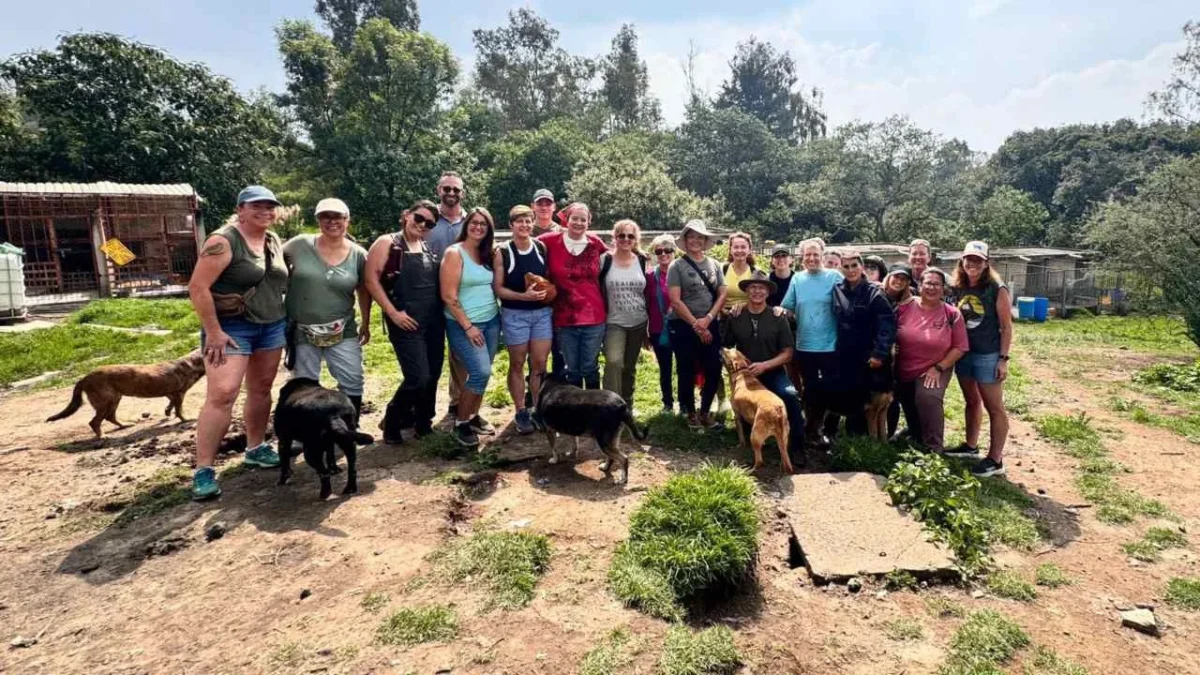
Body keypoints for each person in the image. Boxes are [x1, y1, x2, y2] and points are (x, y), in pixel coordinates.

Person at [187, 186, 289, 500]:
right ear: (241, 209)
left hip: (271, 325)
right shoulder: (222, 241)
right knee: (222, 394)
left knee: (261, 388)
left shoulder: (272, 240)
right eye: (257, 206)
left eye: (270, 207)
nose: (266, 212)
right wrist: (214, 332)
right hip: (231, 328)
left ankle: (255, 447)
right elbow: (198, 288)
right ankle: (204, 469)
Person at [282, 198, 370, 420]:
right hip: (301, 328)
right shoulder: (298, 245)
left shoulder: (359, 254)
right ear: (318, 220)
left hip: (342, 327)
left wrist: (367, 323)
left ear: (347, 220)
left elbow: (364, 290)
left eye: (337, 216)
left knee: (352, 377)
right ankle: (307, 430)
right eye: (325, 216)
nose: (332, 221)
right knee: (304, 381)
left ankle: (349, 425)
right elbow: (271, 263)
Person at [365, 199, 443, 442]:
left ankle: (423, 421)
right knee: (417, 376)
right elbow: (371, 280)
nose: (422, 225)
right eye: (418, 218)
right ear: (407, 215)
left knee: (433, 374)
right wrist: (393, 313)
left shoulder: (426, 247)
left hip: (433, 321)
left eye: (429, 223)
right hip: (406, 321)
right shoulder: (388, 243)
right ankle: (392, 419)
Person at [721, 269, 805, 463]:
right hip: (747, 376)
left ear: (768, 293)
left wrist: (765, 366)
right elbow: (726, 346)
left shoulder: (777, 316)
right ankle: (750, 440)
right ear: (747, 291)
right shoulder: (737, 315)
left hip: (773, 371)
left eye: (761, 288)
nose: (757, 291)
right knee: (742, 400)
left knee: (790, 397)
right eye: (753, 287)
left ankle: (798, 447)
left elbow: (788, 353)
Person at [948, 241, 1013, 477]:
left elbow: (1006, 327)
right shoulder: (958, 287)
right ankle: (971, 445)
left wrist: (1003, 359)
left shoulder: (997, 288)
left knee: (994, 407)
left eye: (977, 260)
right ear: (962, 262)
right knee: (971, 401)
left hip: (987, 354)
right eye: (968, 259)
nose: (972, 264)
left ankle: (996, 459)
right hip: (964, 353)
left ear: (986, 263)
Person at [441, 207, 501, 448]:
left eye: (483, 224)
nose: (478, 227)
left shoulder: (485, 253)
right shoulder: (455, 253)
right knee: (479, 372)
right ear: (466, 225)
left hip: (491, 320)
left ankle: (474, 416)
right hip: (463, 323)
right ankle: (461, 423)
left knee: (484, 372)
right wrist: (468, 327)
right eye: (474, 222)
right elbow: (448, 296)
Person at [894, 268, 968, 454]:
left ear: (944, 289)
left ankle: (934, 448)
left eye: (937, 284)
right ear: (919, 286)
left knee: (927, 396)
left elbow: (960, 347)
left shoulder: (952, 314)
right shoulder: (903, 307)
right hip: (902, 368)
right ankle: (915, 434)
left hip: (934, 367)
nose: (931, 288)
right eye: (927, 283)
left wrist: (939, 367)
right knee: (904, 399)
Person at [493, 205, 552, 435]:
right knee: (517, 363)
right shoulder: (503, 251)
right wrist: (523, 296)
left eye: (528, 221)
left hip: (541, 314)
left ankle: (538, 409)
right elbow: (498, 288)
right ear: (511, 225)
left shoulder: (540, 247)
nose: (525, 225)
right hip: (514, 313)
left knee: (539, 364)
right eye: (520, 221)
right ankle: (520, 410)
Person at [779, 238, 842, 448]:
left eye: (816, 254)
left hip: (831, 344)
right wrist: (780, 311)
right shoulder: (798, 278)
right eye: (808, 255)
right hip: (805, 344)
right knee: (811, 388)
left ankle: (831, 431)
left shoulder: (834, 276)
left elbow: (851, 295)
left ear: (823, 256)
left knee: (833, 388)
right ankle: (812, 429)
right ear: (801, 258)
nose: (812, 258)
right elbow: (788, 306)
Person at [539, 202, 608, 389]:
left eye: (583, 220)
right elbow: (524, 244)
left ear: (589, 222)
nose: (578, 223)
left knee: (590, 367)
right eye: (574, 218)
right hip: (564, 317)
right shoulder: (549, 241)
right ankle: (575, 411)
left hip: (594, 316)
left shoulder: (596, 244)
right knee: (572, 369)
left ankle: (594, 410)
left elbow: (617, 257)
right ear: (566, 220)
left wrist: (638, 253)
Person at [828, 249, 896, 437]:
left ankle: (876, 442)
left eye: (854, 265)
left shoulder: (875, 293)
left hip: (870, 356)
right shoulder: (837, 290)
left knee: (875, 403)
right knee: (853, 398)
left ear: (861, 266)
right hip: (847, 355)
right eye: (846, 266)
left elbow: (887, 325)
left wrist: (879, 353)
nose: (850, 270)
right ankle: (855, 438)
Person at [667, 220, 727, 431]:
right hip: (684, 324)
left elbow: (722, 294)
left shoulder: (715, 265)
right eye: (691, 236)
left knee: (713, 367)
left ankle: (705, 411)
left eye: (700, 237)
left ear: (705, 241)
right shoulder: (677, 266)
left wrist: (708, 319)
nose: (695, 240)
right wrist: (696, 324)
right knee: (686, 368)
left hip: (709, 321)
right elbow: (675, 300)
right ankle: (690, 412)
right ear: (685, 240)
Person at [426, 171, 469, 420]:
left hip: (460, 297)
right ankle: (422, 409)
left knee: (460, 355)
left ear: (462, 193)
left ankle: (458, 404)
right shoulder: (428, 220)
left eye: (455, 189)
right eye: (446, 189)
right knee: (430, 357)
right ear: (438, 190)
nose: (451, 193)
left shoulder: (470, 221)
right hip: (429, 296)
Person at [600, 219, 649, 404]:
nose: (626, 239)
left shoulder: (642, 260)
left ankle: (627, 404)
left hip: (638, 321)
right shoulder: (605, 260)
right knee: (613, 362)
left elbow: (648, 292)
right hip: (614, 321)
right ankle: (611, 404)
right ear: (615, 237)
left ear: (636, 239)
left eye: (630, 236)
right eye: (622, 235)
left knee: (629, 366)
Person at [882, 263, 915, 438]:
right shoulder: (877, 294)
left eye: (904, 279)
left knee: (899, 394)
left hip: (904, 353)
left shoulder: (912, 301)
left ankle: (892, 433)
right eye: (896, 277)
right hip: (881, 353)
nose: (899, 281)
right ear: (888, 277)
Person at [646, 234, 677, 415]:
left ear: (674, 252)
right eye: (659, 251)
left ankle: (686, 403)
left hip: (681, 326)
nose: (664, 254)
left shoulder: (681, 272)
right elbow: (645, 303)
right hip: (658, 328)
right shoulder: (650, 276)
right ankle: (667, 403)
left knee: (683, 367)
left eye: (668, 250)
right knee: (665, 368)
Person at [721, 232, 757, 311]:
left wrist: (742, 307)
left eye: (743, 247)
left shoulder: (756, 272)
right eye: (736, 247)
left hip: (748, 313)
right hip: (725, 316)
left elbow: (760, 297)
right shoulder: (722, 269)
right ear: (730, 250)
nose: (739, 250)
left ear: (749, 250)